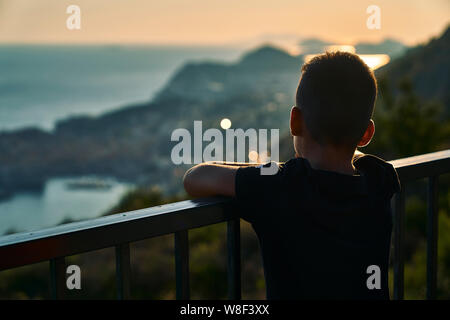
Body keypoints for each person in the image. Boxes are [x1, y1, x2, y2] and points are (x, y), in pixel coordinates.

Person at [183, 51, 400, 299]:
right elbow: (354, 160)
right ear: (367, 134)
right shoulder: (379, 181)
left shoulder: (280, 187)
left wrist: (277, 170)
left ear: (295, 121)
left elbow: (195, 177)